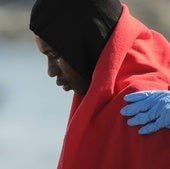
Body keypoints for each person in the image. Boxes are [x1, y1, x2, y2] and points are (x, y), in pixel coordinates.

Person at [29, 0, 170, 168]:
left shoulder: (139, 110)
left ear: (87, 43)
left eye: (56, 54)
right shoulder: (153, 55)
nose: (51, 71)